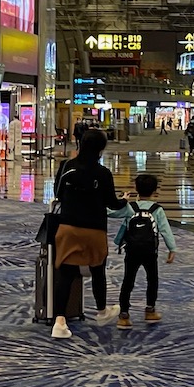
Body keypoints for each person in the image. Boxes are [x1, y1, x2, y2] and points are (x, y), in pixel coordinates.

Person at [50, 128, 127, 339]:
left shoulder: (67, 166)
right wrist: (125, 200)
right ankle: (102, 311)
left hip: (68, 227)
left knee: (65, 274)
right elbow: (112, 203)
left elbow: (57, 193)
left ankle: (59, 322)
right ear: (101, 148)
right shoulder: (103, 173)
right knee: (97, 269)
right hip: (94, 229)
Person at [111, 172, 176, 328]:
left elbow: (110, 212)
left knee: (128, 280)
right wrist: (172, 248)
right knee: (152, 279)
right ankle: (150, 310)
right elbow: (165, 230)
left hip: (132, 250)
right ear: (155, 190)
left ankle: (124, 315)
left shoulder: (130, 207)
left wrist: (123, 200)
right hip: (149, 251)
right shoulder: (157, 209)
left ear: (136, 188)